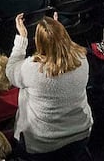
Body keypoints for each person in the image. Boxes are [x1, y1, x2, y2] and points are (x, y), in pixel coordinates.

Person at [7, 15, 91, 160]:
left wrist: (22, 39)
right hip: (80, 135)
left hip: (42, 144)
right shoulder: (82, 59)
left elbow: (11, 72)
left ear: (39, 42)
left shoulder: (32, 69)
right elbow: (65, 50)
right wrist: (55, 32)